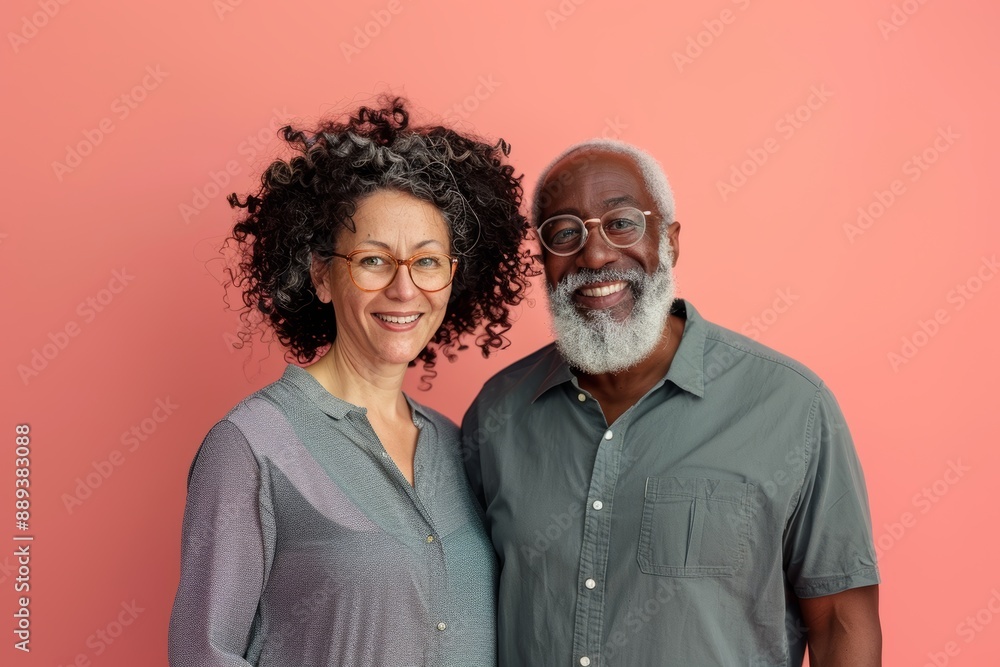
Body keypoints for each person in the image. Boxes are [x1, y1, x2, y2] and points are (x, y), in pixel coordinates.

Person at [462, 139, 881, 666]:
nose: (594, 256)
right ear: (543, 258)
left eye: (622, 223)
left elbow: (842, 620)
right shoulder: (498, 413)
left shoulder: (791, 406)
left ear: (670, 240)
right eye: (565, 233)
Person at [168, 98, 534, 666]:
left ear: (452, 278)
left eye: (428, 261)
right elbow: (202, 653)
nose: (405, 289)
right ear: (321, 275)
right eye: (373, 260)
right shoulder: (251, 447)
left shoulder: (456, 444)